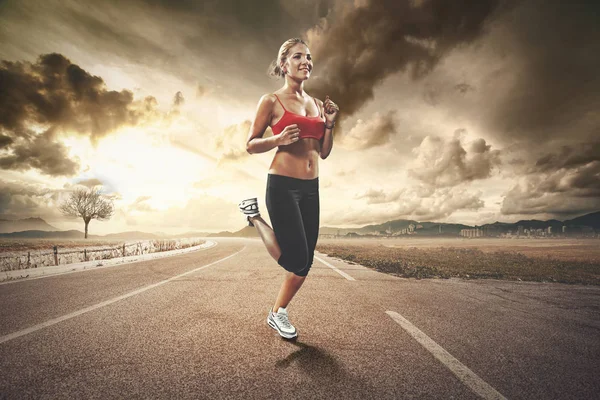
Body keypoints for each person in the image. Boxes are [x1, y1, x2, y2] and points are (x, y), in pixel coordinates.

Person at [239, 38, 339, 340]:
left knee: (305, 262)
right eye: (298, 57)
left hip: (312, 188)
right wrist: (277, 140)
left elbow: (323, 153)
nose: (305, 61)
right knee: (296, 259)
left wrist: (330, 124)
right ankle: (254, 217)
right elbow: (250, 144)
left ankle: (277, 312)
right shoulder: (271, 101)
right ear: (284, 64)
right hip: (282, 186)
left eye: (308, 57)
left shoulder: (319, 105)